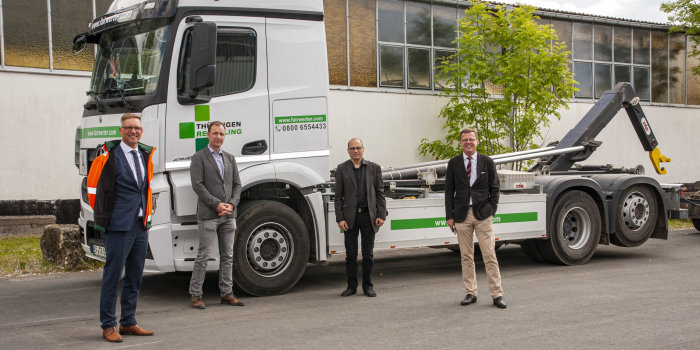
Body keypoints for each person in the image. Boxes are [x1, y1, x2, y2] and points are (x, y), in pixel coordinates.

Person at [87, 113, 156, 342]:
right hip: (118, 226)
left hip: (139, 224)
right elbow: (95, 190)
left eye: (136, 128)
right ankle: (108, 325)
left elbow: (144, 189)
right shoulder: (110, 157)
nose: (133, 131)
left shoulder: (144, 155)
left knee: (135, 276)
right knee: (112, 276)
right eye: (128, 128)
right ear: (121, 131)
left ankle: (128, 321)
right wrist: (103, 219)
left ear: (141, 131)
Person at [444, 128, 507, 309]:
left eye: (471, 139)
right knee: (466, 256)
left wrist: (492, 210)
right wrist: (450, 216)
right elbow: (449, 191)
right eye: (465, 140)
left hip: (482, 215)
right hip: (462, 215)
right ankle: (470, 292)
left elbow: (495, 188)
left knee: (489, 255)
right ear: (461, 143)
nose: (468, 142)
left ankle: (497, 294)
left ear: (477, 141)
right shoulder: (454, 163)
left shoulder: (487, 162)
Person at [188, 121, 244, 309]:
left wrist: (231, 204)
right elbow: (198, 185)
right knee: (203, 255)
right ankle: (196, 295)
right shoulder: (199, 158)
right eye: (215, 133)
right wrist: (216, 204)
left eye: (221, 134)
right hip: (208, 215)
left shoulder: (229, 158)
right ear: (208, 135)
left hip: (228, 215)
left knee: (227, 255)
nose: (218, 137)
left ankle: (226, 293)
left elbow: (237, 185)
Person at [335, 138, 387, 297]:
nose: (355, 151)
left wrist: (381, 214)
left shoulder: (374, 168)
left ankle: (368, 286)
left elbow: (380, 193)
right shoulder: (342, 169)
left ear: (363, 149)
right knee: (350, 255)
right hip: (350, 218)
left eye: (358, 148)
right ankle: (351, 286)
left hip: (368, 216)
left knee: (368, 254)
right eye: (352, 148)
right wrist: (340, 218)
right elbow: (338, 196)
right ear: (348, 151)